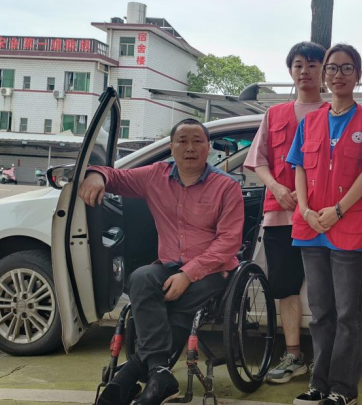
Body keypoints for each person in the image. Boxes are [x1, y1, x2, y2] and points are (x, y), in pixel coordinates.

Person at [80, 118, 244, 405]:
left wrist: (188, 274)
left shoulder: (226, 187)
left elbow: (229, 242)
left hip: (212, 269)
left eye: (197, 141)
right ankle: (159, 371)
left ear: (208, 148)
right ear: (171, 147)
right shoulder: (155, 175)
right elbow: (115, 176)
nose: (190, 148)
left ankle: (132, 371)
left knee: (179, 305)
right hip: (167, 264)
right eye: (182, 141)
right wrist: (96, 175)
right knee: (141, 278)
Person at [287, 44, 362, 405]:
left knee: (348, 314)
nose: (338, 75)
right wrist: (304, 209)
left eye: (347, 68)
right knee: (320, 313)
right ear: (325, 75)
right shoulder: (310, 121)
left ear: (358, 75)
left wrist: (338, 210)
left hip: (349, 227)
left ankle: (343, 389)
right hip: (311, 228)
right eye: (332, 68)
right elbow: (299, 167)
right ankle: (318, 384)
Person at [244, 41, 328, 384]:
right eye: (298, 65)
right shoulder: (274, 114)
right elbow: (258, 161)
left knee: (325, 290)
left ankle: (328, 358)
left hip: (323, 218)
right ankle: (294, 354)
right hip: (279, 216)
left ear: (323, 70)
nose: (305, 71)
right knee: (285, 288)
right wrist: (276, 188)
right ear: (290, 71)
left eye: (312, 64)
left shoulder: (334, 111)